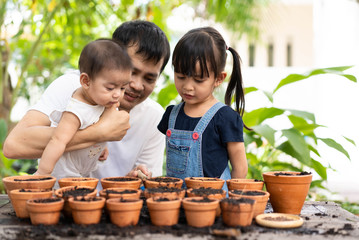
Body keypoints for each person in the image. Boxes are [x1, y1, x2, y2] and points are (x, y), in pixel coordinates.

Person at [3, 20, 170, 187]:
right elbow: (13, 146)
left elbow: (146, 188)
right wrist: (98, 133)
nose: (137, 85)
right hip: (59, 201)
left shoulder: (154, 117)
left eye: (149, 78)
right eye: (132, 72)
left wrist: (131, 180)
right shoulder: (74, 88)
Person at [157, 27, 248, 190]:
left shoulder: (225, 118)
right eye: (181, 77)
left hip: (214, 205)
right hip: (176, 203)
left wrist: (233, 203)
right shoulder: (172, 115)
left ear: (219, 78)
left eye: (198, 80)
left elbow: (240, 168)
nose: (188, 87)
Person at [35, 39, 132, 182]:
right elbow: (57, 140)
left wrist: (101, 146)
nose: (118, 94)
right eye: (110, 88)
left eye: (122, 88)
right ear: (86, 81)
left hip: (81, 171)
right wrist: (43, 173)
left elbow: (96, 127)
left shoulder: (102, 101)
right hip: (62, 174)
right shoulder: (77, 109)